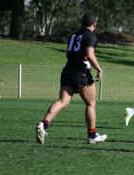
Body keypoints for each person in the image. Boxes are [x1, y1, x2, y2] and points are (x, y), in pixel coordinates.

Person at [36, 13, 107, 144]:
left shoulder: (74, 36)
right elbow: (90, 55)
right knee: (91, 104)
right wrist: (99, 69)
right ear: (94, 24)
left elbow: (68, 54)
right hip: (81, 73)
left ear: (81, 23)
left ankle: (44, 124)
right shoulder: (91, 36)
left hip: (67, 71)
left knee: (63, 101)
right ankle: (92, 136)